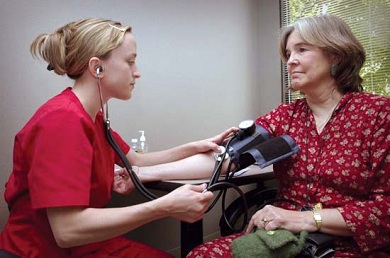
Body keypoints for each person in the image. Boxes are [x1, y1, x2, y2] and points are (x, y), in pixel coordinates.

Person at [0, 18, 237, 258]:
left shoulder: (91, 116)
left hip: (84, 245)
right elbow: (66, 231)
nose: (137, 72)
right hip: (41, 251)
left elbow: (136, 161)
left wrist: (194, 146)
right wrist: (164, 206)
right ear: (97, 68)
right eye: (130, 61)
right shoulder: (62, 120)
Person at [187, 14, 390, 258]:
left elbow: (385, 208)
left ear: (335, 54)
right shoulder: (286, 116)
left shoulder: (378, 114)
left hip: (348, 244)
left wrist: (305, 219)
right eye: (288, 54)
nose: (290, 61)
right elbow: (227, 158)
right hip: (280, 239)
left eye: (302, 50)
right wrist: (145, 172)